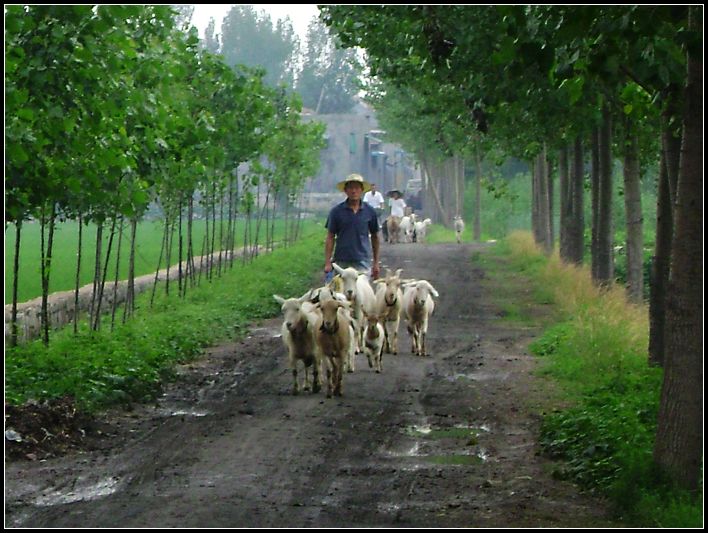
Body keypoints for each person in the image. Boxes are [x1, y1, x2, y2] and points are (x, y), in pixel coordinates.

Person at [324, 173, 381, 281]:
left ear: (362, 190)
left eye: (356, 188)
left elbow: (375, 237)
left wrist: (376, 263)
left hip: (362, 260)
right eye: (350, 188)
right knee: (340, 295)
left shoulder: (369, 212)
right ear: (345, 190)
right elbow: (330, 237)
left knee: (362, 294)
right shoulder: (336, 212)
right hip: (341, 261)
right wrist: (327, 262)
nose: (353, 191)